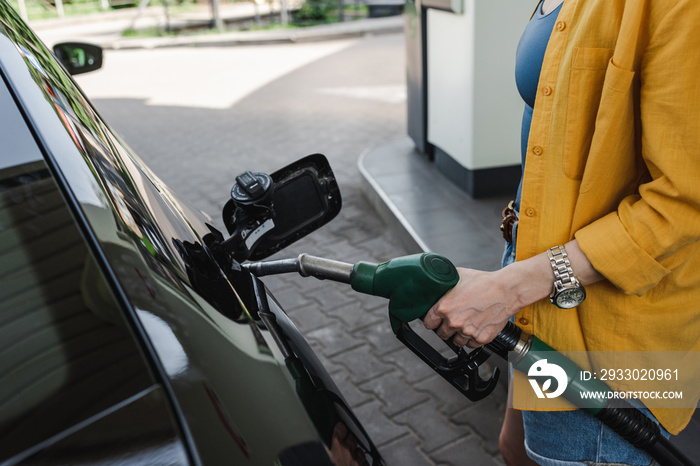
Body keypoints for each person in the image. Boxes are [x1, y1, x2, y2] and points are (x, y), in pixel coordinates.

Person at [423, 0, 700, 464]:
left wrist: (507, 288)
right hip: (538, 293)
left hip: (608, 341)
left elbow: (683, 204)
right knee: (516, 449)